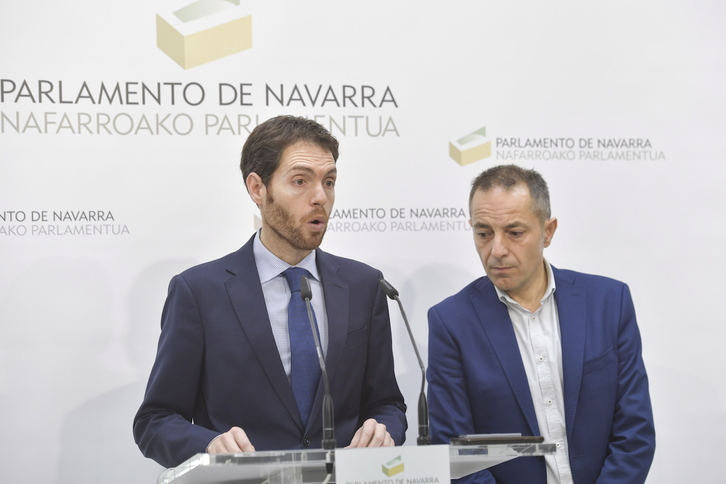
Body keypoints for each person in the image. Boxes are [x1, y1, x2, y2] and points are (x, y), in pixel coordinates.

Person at [133, 115, 407, 469]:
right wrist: (210, 445)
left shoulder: (364, 285)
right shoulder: (200, 292)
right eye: (300, 181)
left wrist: (383, 429)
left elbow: (387, 403)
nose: (321, 197)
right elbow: (155, 420)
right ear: (257, 189)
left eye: (329, 181)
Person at [427, 164, 655, 483]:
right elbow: (456, 453)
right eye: (483, 233)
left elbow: (635, 431)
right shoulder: (450, 322)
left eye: (515, 233)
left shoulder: (608, 301)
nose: (497, 250)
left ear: (548, 231)